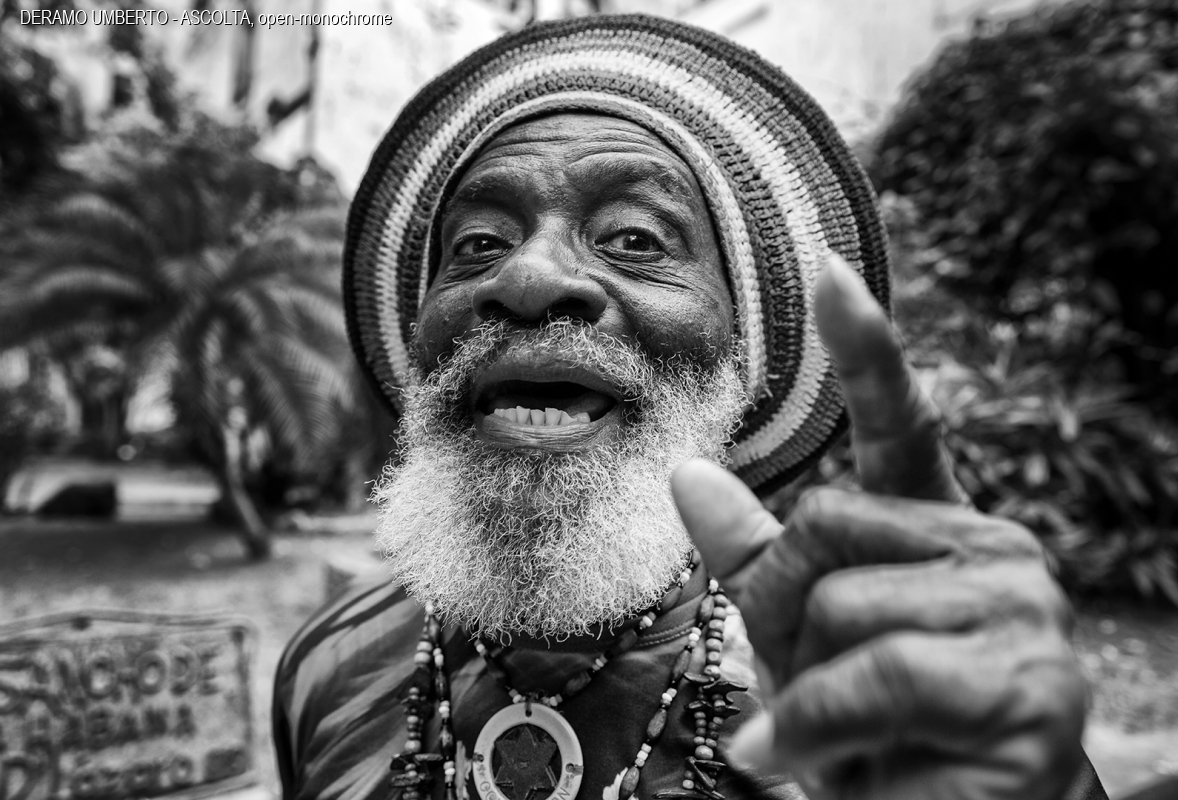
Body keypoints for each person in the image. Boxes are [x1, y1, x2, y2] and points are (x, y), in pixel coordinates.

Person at [273, 14, 1107, 800]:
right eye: (480, 243)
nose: (526, 278)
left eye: (635, 238)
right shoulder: (330, 668)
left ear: (743, 352)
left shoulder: (857, 705)